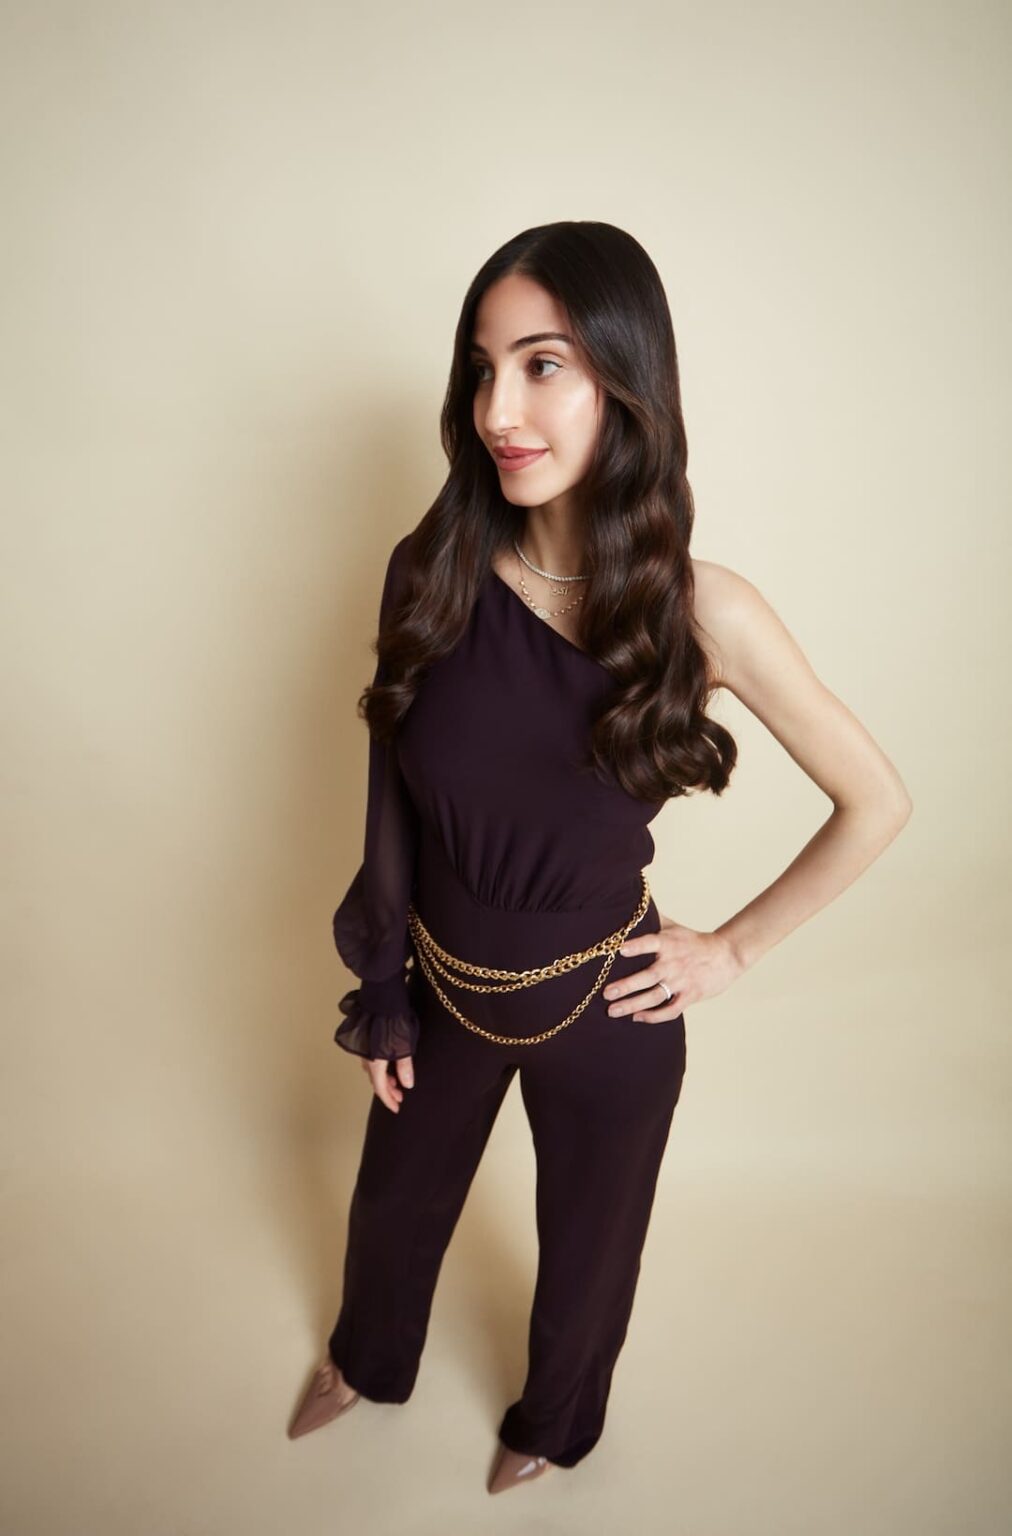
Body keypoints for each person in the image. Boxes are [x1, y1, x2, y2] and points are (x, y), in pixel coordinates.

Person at [286, 222, 913, 1493]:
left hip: (604, 1002)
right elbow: (388, 793)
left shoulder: (702, 608)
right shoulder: (431, 568)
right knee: (392, 1208)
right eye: (481, 369)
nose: (497, 411)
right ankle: (365, 1357)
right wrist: (384, 989)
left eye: (542, 365)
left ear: (624, 381)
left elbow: (875, 801)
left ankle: (550, 1424)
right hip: (443, 987)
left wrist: (731, 949)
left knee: (591, 1250)